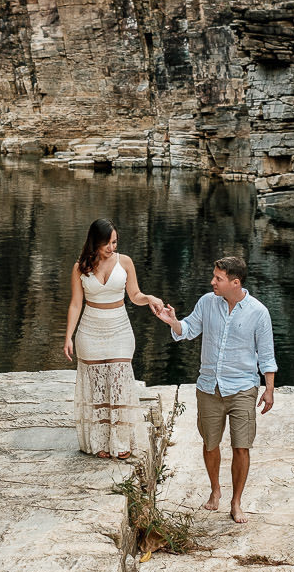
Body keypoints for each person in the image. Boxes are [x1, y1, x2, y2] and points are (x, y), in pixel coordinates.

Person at [153, 256, 276, 523]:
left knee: (241, 447)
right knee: (210, 444)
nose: (212, 282)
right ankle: (215, 490)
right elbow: (187, 329)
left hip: (243, 387)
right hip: (209, 387)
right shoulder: (207, 303)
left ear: (235, 282)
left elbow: (266, 355)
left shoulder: (258, 312)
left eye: (218, 278)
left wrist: (269, 389)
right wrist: (172, 321)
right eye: (214, 276)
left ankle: (236, 501)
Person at [64, 219, 165, 459]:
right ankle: (99, 442)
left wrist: (149, 298)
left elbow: (134, 295)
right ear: (95, 242)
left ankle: (121, 442)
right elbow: (76, 304)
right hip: (90, 329)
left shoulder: (125, 261)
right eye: (107, 243)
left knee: (119, 382)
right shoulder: (80, 267)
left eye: (115, 242)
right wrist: (68, 336)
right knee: (96, 388)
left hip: (119, 327)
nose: (112, 247)